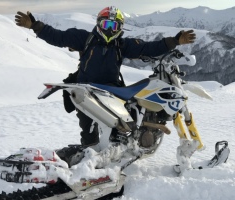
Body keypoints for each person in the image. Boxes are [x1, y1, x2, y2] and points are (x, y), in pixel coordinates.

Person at [15, 6, 196, 147]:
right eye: (106, 24)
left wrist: (174, 41)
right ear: (99, 23)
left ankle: (117, 154)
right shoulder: (84, 38)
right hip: (86, 89)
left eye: (114, 26)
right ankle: (89, 156)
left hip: (113, 91)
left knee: (120, 127)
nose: (109, 29)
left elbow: (147, 47)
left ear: (120, 28)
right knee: (88, 129)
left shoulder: (122, 45)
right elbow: (58, 37)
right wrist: (35, 26)